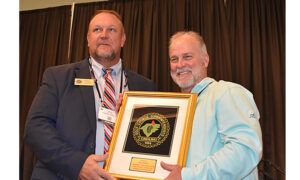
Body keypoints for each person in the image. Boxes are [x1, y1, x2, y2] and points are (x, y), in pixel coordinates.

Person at [24, 10, 156, 180]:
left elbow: (150, 139)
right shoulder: (58, 77)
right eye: (97, 30)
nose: (104, 35)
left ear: (123, 39)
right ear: (88, 39)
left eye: (111, 30)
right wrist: (76, 164)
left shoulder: (145, 86)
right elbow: (35, 128)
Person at [160, 31, 262, 179]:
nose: (180, 65)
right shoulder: (173, 109)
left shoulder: (227, 93)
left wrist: (188, 176)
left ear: (205, 60)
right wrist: (127, 112)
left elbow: (245, 151)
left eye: (187, 57)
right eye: (174, 59)